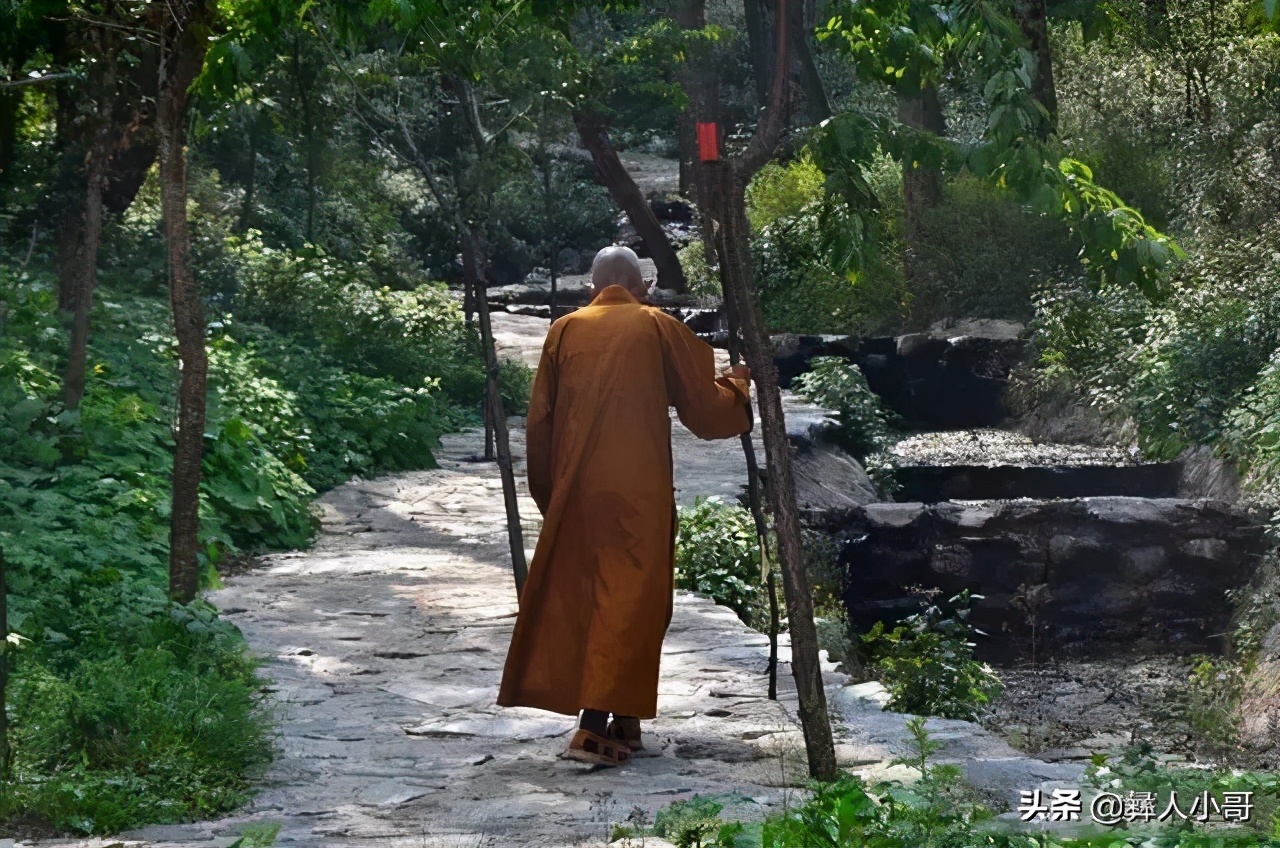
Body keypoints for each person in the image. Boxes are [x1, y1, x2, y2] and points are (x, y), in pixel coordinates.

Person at [496, 245, 752, 766]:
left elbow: (539, 426)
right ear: (645, 288)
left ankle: (626, 720)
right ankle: (592, 727)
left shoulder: (563, 331)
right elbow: (705, 412)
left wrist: (552, 495)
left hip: (578, 491)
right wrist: (740, 387)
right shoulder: (655, 325)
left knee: (596, 599)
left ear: (590, 289)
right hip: (639, 493)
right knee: (632, 602)